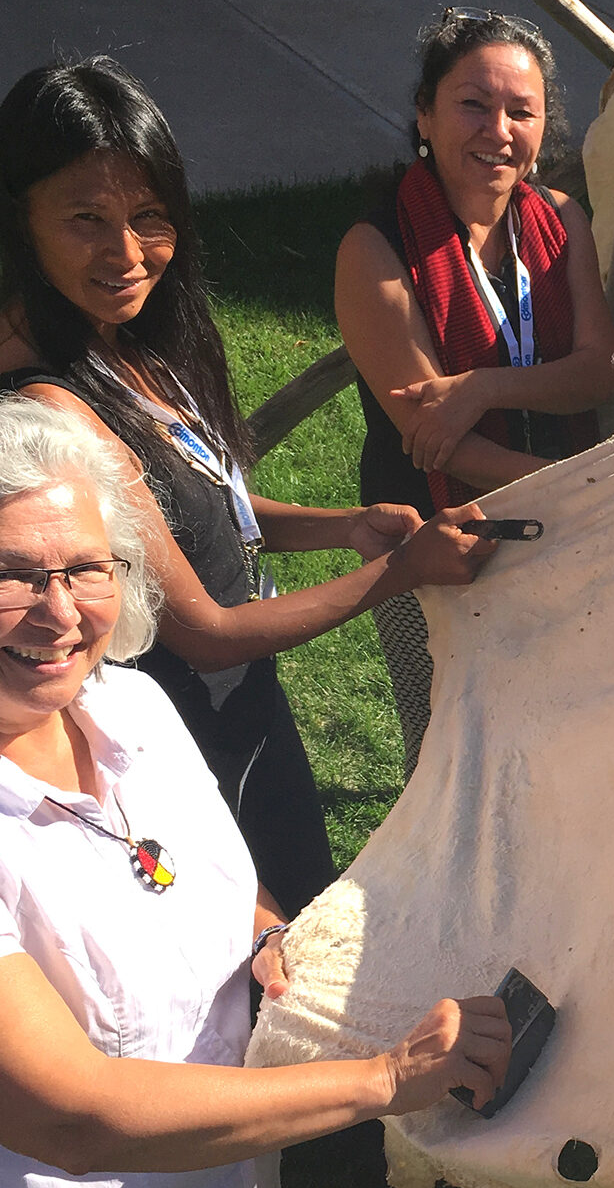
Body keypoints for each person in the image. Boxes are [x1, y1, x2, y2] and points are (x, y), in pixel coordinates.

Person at [0, 395, 512, 1188]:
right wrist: (385, 1078)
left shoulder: (132, 708)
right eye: (11, 575)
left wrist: (270, 936)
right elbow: (74, 1112)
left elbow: (213, 881)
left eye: (85, 568)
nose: (58, 612)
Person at [0, 56, 498, 917]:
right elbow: (208, 632)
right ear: (20, 218)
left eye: (149, 217)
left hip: (245, 711)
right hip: (178, 746)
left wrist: (343, 524)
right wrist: (403, 570)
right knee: (252, 962)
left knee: (297, 928)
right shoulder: (53, 403)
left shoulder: (122, 337)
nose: (126, 253)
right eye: (86, 218)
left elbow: (197, 504)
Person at [336, 8, 614, 775]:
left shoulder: (562, 220)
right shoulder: (375, 249)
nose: (498, 129)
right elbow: (440, 439)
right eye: (473, 104)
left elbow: (599, 370)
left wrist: (484, 384)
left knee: (562, 740)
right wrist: (589, 489)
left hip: (557, 526)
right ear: (424, 114)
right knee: (450, 757)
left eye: (521, 111)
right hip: (432, 540)